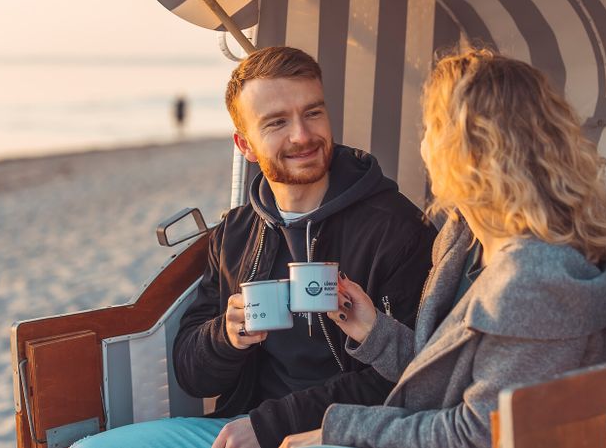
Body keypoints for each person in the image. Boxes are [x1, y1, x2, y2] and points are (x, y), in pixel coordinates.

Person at [73, 46, 437, 448]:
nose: (302, 135)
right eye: (277, 122)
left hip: (348, 432)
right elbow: (192, 375)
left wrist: (269, 426)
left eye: (312, 113)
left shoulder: (395, 228)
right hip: (244, 424)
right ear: (244, 144)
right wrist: (226, 336)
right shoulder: (237, 232)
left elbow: (405, 378)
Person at [280, 47, 606, 448]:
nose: (423, 144)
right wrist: (373, 330)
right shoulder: (465, 241)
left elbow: (478, 435)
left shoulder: (537, 279)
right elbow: (446, 378)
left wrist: (341, 430)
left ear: (466, 150)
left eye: (431, 128)